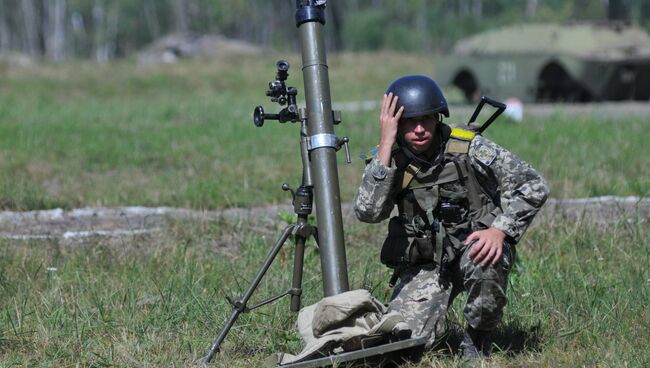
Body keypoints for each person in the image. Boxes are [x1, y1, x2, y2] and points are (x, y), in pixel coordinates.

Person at [353, 75, 549, 358]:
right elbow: (368, 212)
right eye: (409, 122)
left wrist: (500, 231)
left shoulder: (469, 147)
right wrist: (385, 145)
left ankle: (477, 339)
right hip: (426, 263)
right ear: (395, 124)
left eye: (426, 120)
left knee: (486, 260)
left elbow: (533, 185)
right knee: (402, 347)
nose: (419, 129)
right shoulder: (389, 159)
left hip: (474, 247)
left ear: (438, 118)